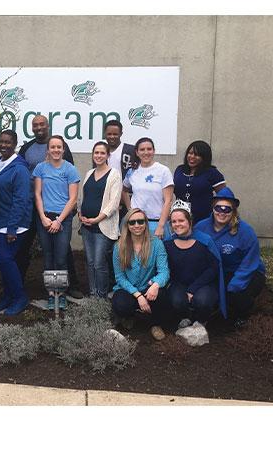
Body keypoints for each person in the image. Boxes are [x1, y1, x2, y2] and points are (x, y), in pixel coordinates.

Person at [17, 114, 79, 293]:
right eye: (35, 125)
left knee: (62, 253)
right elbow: (24, 176)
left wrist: (64, 214)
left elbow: (71, 187)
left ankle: (69, 287)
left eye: (41, 124)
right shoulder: (27, 149)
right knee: (31, 249)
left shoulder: (65, 159)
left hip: (61, 212)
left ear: (48, 126)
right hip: (35, 209)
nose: (38, 128)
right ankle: (21, 287)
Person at [194, 187, 266, 326]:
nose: (222, 212)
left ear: (233, 211)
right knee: (212, 297)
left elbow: (250, 262)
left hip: (247, 271)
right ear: (213, 209)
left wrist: (236, 284)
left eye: (227, 209)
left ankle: (245, 312)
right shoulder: (201, 227)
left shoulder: (245, 231)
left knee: (235, 293)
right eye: (218, 208)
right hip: (219, 272)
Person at [33, 135, 80, 309]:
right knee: (48, 258)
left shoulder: (70, 169)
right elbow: (37, 194)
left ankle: (61, 294)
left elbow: (73, 198)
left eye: (59, 147)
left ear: (63, 149)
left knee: (60, 259)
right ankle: (51, 294)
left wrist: (59, 220)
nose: (56, 150)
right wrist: (44, 217)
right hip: (44, 218)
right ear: (48, 150)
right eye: (53, 147)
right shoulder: (40, 168)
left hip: (63, 219)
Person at [0, 130, 32, 315]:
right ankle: (8, 297)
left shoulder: (19, 168)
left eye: (8, 142)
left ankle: (20, 297)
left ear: (15, 144)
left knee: (5, 259)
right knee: (4, 261)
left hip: (13, 224)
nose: (3, 145)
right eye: (1, 142)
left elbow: (21, 199)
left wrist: (12, 228)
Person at [112, 208, 171, 341]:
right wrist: (137, 295)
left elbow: (164, 271)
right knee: (120, 305)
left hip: (148, 288)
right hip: (128, 289)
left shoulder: (156, 243)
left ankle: (155, 324)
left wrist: (156, 284)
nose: (137, 225)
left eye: (140, 221)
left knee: (162, 297)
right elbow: (120, 277)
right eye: (132, 222)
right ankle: (130, 316)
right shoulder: (119, 246)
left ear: (146, 223)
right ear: (127, 225)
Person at [164, 201, 223, 328]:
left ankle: (202, 320)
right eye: (174, 221)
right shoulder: (168, 243)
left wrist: (193, 289)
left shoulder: (204, 240)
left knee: (202, 301)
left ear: (189, 221)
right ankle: (185, 318)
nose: (177, 224)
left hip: (203, 283)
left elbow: (213, 268)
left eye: (181, 220)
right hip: (179, 283)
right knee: (177, 301)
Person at [77, 141, 122, 298]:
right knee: (90, 263)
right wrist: (80, 213)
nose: (99, 155)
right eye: (96, 152)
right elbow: (83, 197)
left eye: (102, 153)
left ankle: (101, 297)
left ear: (108, 155)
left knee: (99, 263)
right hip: (87, 226)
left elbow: (114, 203)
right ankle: (93, 294)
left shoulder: (114, 174)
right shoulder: (89, 173)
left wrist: (97, 219)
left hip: (102, 227)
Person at [122, 137, 174, 239]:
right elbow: (124, 190)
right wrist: (129, 209)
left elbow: (168, 201)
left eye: (149, 149)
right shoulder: (132, 171)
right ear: (137, 152)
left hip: (156, 223)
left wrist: (161, 226)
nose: (146, 152)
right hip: (135, 223)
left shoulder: (163, 171)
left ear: (154, 151)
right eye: (142, 149)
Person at [173, 140, 226, 223]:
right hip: (180, 220)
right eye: (190, 153)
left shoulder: (212, 173)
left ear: (205, 157)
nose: (192, 156)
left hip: (203, 220)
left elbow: (224, 196)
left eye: (197, 155)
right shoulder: (179, 170)